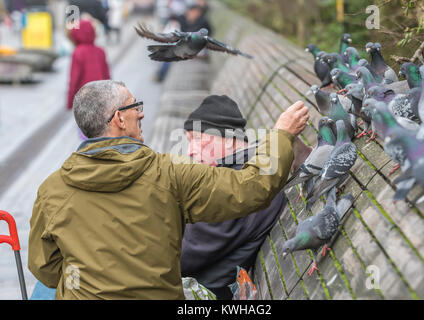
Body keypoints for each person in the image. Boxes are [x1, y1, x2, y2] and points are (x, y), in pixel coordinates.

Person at [28, 80, 310, 299]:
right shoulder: (170, 173)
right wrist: (282, 135)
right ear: (119, 119)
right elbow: (251, 189)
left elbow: (45, 266)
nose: (141, 113)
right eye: (133, 106)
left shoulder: (52, 190)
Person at [180, 95, 312, 299]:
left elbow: (176, 257)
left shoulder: (236, 188)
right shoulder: (241, 174)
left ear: (226, 137)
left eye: (195, 139)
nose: (190, 151)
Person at [66, 19, 111, 111]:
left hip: (84, 96)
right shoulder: (100, 51)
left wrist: (70, 101)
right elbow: (107, 75)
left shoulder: (78, 52)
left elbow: (74, 79)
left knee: (85, 123)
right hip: (101, 95)